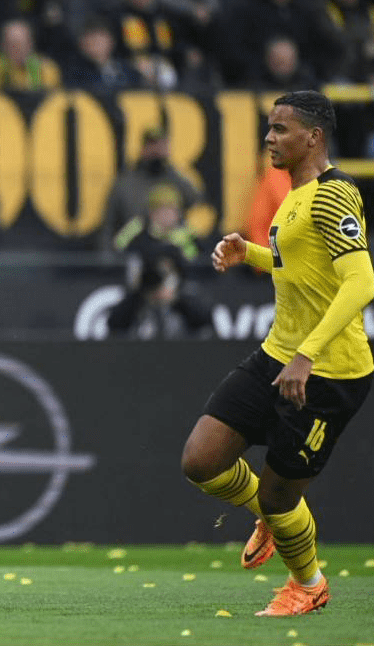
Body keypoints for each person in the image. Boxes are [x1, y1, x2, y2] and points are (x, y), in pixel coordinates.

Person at [181, 91, 374, 616]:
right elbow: (301, 266)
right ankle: (271, 518)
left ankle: (308, 585)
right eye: (269, 127)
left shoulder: (333, 195)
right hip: (278, 354)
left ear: (314, 137)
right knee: (201, 460)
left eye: (281, 129)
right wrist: (251, 253)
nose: (269, 137)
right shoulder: (294, 193)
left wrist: (307, 356)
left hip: (328, 372)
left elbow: (361, 281)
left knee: (279, 496)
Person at [106, 183, 211, 338]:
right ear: (152, 213)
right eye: (162, 210)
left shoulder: (188, 236)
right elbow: (119, 249)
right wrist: (144, 291)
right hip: (142, 299)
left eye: (172, 210)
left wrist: (175, 295)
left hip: (180, 294)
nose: (168, 215)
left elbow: (200, 270)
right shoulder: (138, 235)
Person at [101, 125, 205, 256]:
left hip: (173, 253)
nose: (157, 150)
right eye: (153, 145)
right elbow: (109, 227)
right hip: (136, 251)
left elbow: (197, 204)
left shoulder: (175, 180)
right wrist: (108, 257)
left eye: (162, 145)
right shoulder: (125, 183)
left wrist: (167, 166)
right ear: (143, 148)